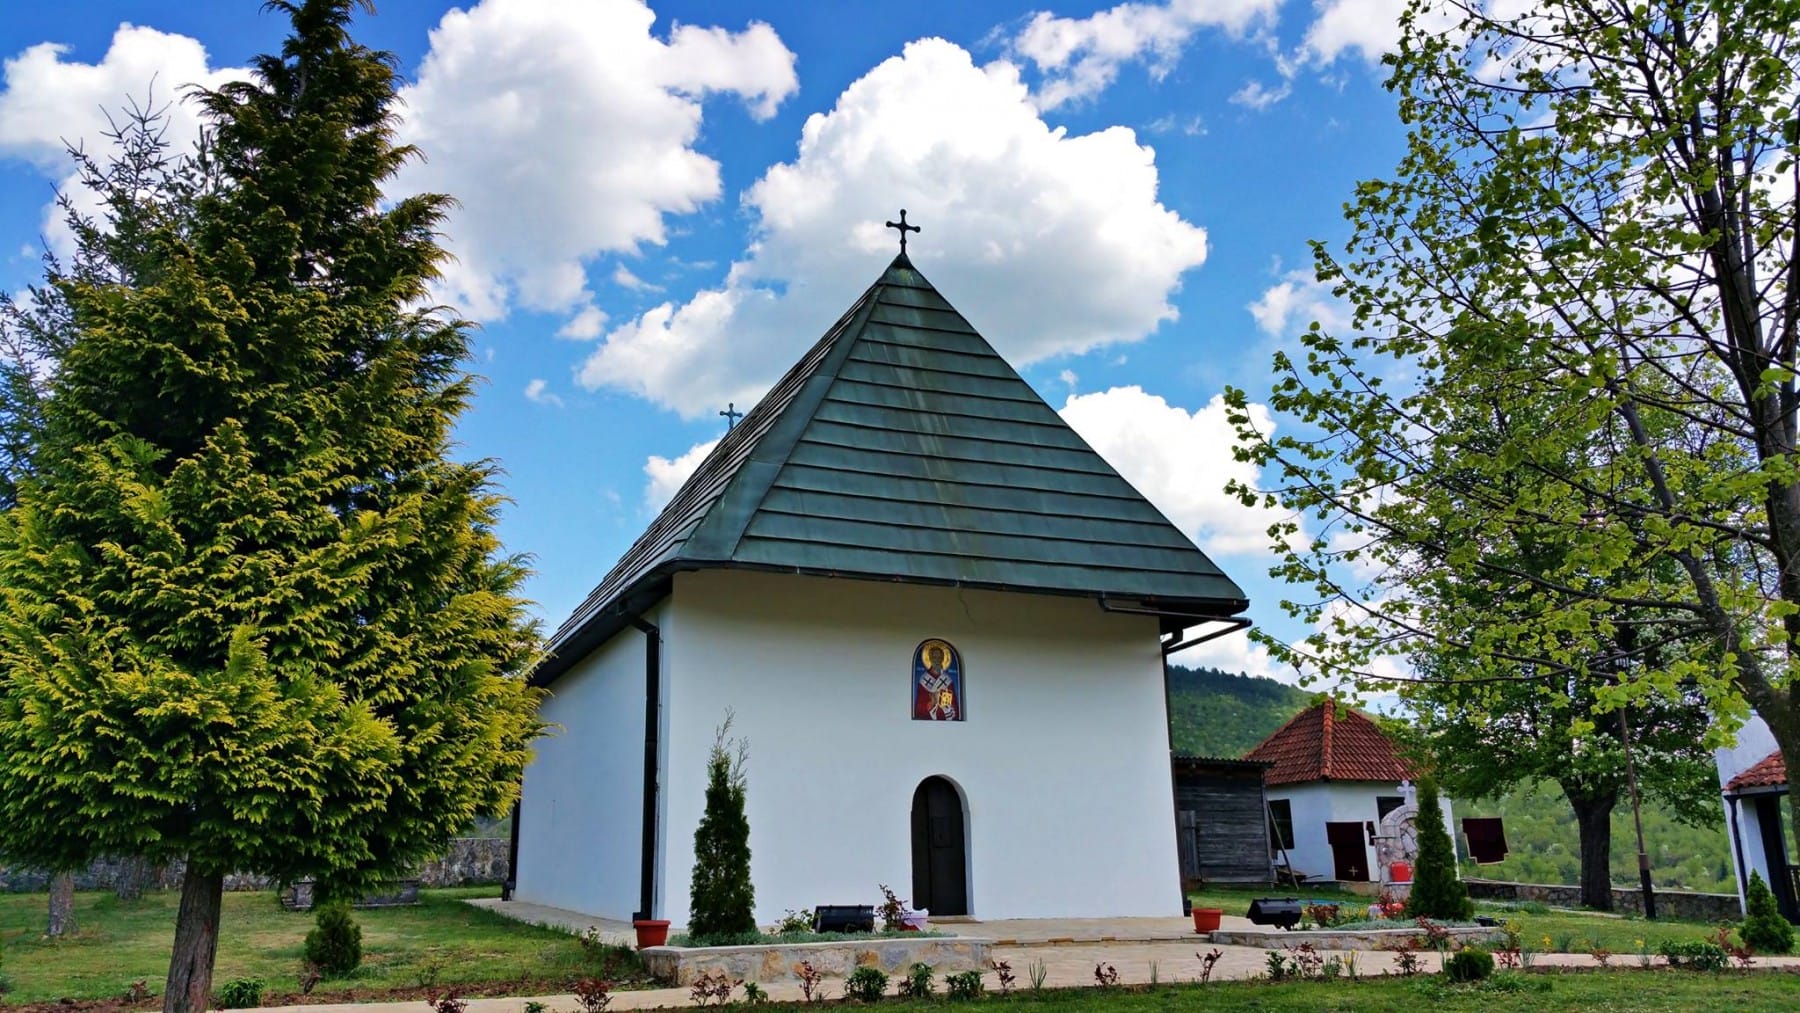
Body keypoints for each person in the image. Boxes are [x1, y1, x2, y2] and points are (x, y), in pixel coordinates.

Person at [913, 642, 959, 720]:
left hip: (945, 718)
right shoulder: (924, 680)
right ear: (930, 659)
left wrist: (947, 707)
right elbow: (919, 708)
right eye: (934, 657)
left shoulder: (947, 680)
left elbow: (954, 706)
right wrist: (932, 702)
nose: (937, 660)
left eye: (939, 657)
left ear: (943, 659)